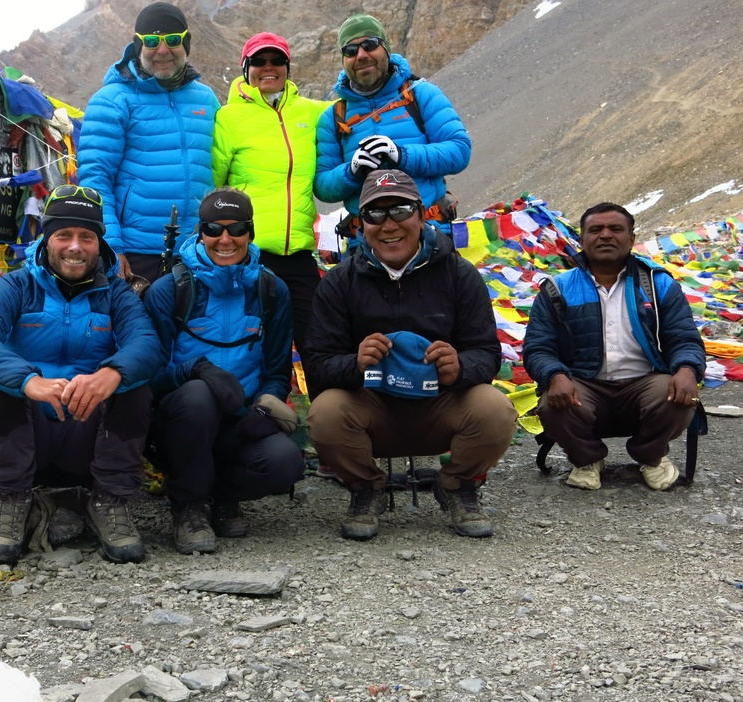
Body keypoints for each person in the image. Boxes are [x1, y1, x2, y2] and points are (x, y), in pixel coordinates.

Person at [305, 170, 517, 541]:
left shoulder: (459, 274)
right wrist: (355, 364)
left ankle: (456, 486)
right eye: (374, 214)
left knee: (494, 408)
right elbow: (319, 364)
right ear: (360, 225)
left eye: (401, 210)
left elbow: (487, 354)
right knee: (325, 413)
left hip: (441, 405)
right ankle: (366, 488)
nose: (389, 225)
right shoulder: (340, 282)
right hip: (372, 408)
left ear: (422, 215)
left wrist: (459, 367)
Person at [0, 185, 165, 565]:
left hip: (86, 436)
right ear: (47, 239)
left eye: (86, 237)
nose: (75, 246)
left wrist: (111, 373)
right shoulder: (17, 286)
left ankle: (110, 501)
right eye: (64, 235)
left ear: (98, 243)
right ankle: (9, 498)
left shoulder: (116, 293)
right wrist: (28, 380)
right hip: (29, 434)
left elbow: (147, 344)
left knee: (134, 386)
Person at [144, 188, 305, 554]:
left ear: (250, 231)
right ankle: (189, 505)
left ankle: (219, 497)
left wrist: (265, 405)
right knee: (200, 396)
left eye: (237, 229)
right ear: (200, 231)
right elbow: (149, 377)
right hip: (181, 421)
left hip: (241, 419)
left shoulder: (272, 290)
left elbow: (277, 369)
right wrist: (195, 371)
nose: (225, 239)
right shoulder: (171, 289)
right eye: (214, 228)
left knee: (286, 461)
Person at [523, 202, 706, 491]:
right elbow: (537, 348)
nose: (605, 235)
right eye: (595, 230)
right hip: (584, 386)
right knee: (552, 402)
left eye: (616, 229)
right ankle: (587, 460)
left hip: (645, 383)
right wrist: (555, 376)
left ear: (631, 239)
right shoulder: (556, 289)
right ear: (582, 240)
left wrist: (686, 369)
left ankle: (651, 457)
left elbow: (684, 338)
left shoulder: (658, 285)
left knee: (677, 395)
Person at [77, 2, 220, 284]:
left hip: (199, 252)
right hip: (136, 253)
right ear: (138, 45)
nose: (162, 50)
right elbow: (96, 179)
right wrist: (112, 247)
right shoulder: (111, 100)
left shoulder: (206, 99)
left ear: (186, 43)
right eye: (152, 41)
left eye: (173, 40)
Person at [212, 32, 328, 365]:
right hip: (250, 256)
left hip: (300, 254)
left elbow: (358, 111)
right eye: (259, 61)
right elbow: (212, 187)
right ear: (245, 68)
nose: (268, 67)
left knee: (317, 344)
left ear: (287, 67)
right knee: (252, 350)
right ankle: (254, 415)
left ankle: (327, 414)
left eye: (277, 60)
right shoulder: (229, 117)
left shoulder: (312, 113)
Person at [314, 13, 471, 240]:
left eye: (370, 45)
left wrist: (401, 155)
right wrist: (352, 171)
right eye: (350, 50)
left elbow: (459, 151)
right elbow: (322, 186)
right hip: (366, 243)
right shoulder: (333, 117)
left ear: (386, 48)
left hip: (429, 235)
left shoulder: (422, 94)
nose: (361, 55)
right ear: (343, 59)